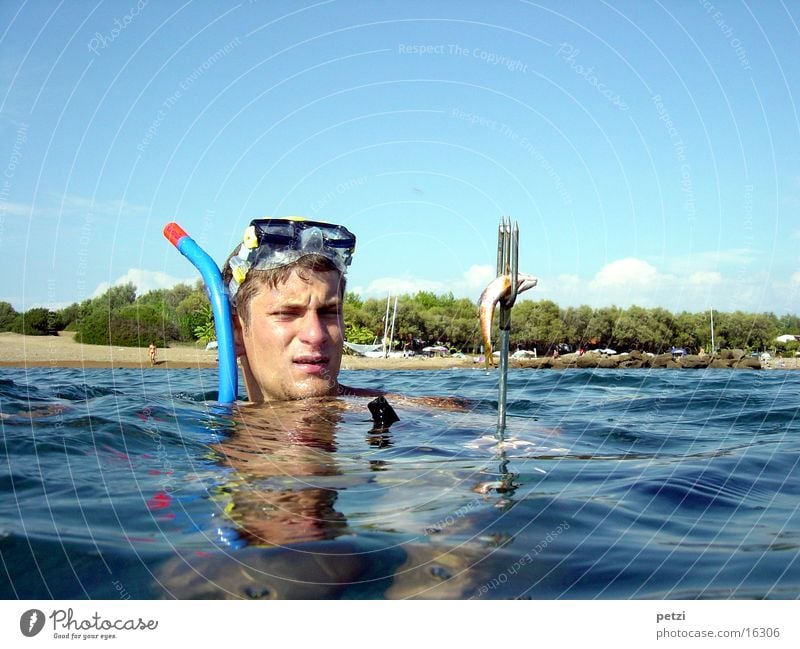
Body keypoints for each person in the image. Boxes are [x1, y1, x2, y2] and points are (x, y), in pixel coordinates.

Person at [221, 218, 380, 403]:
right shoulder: (202, 424)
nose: (315, 335)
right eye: (286, 313)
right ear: (235, 333)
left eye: (328, 312)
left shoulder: (408, 415)